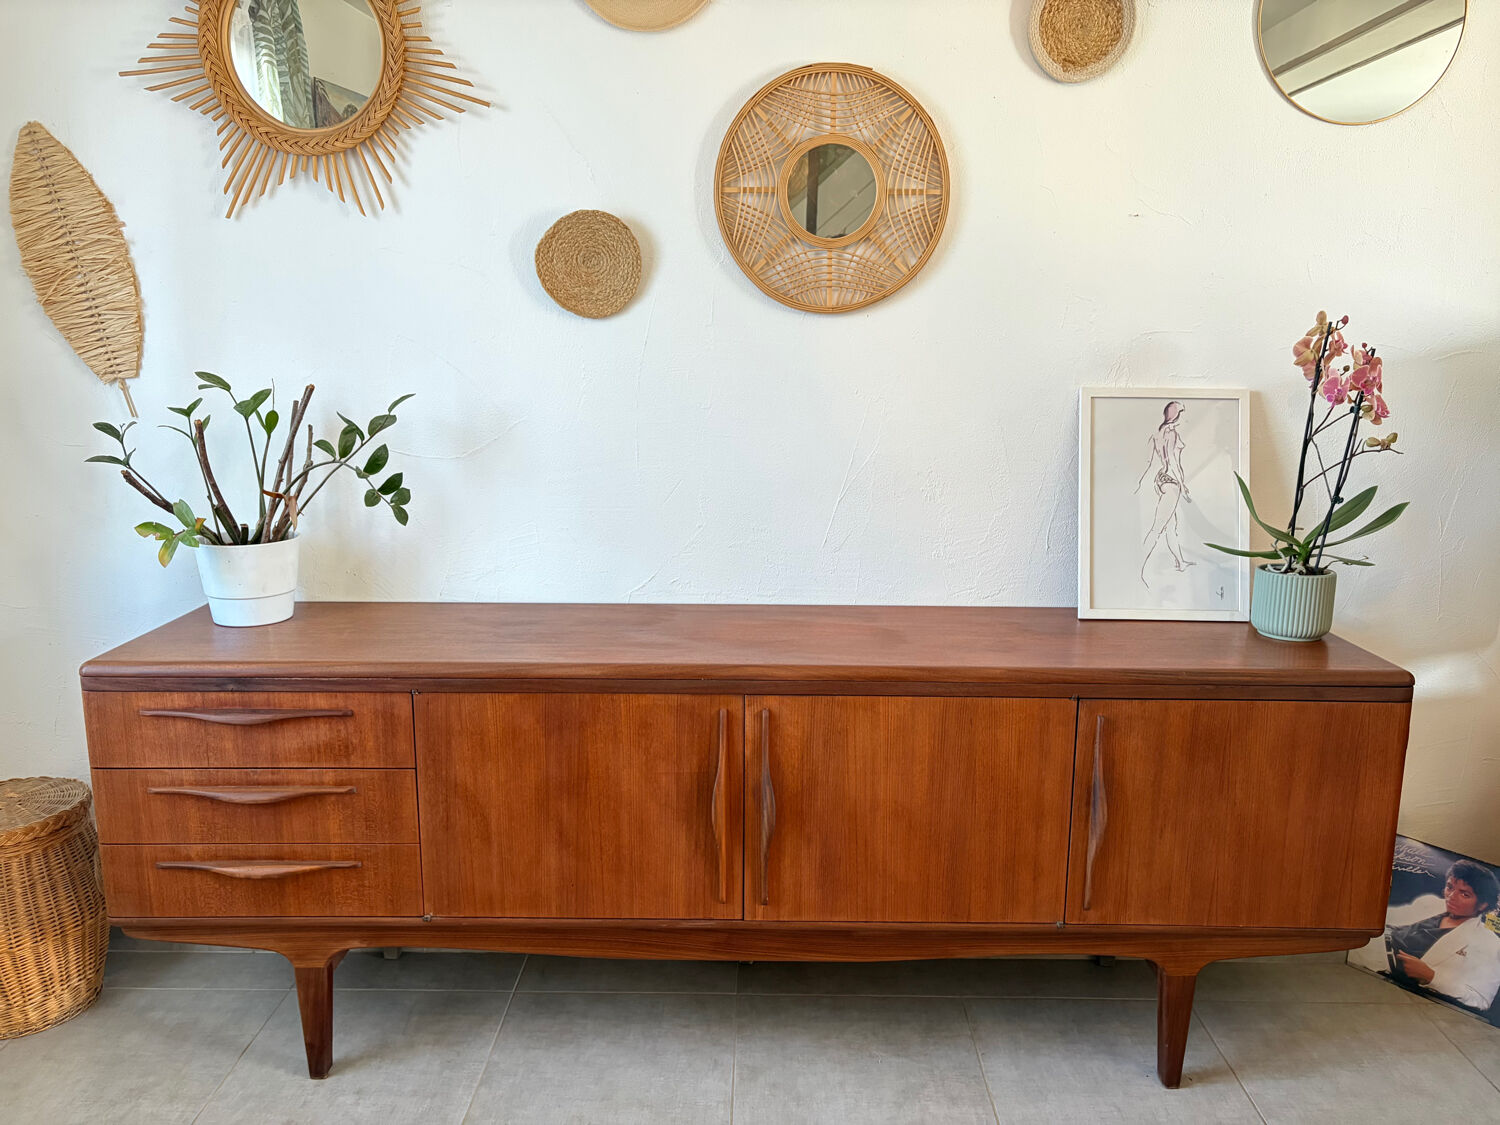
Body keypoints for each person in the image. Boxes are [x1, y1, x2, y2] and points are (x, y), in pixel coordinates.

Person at [1350, 859, 1500, 1011]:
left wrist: (1431, 977)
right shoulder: (1431, 903)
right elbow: (1388, 917)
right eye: (1449, 887)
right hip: (1361, 960)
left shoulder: (1490, 944)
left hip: (1397, 992)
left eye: (1465, 894)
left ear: (1483, 904)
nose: (1451, 896)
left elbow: (1480, 1000)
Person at [1134, 401, 1194, 588]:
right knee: (1157, 529)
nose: (1183, 418)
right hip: (1172, 483)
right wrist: (1183, 486)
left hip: (1162, 481)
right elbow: (1173, 462)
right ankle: (1138, 570)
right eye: (1181, 414)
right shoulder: (1171, 434)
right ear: (1176, 415)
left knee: (1170, 526)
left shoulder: (1158, 433)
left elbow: (1150, 460)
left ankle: (1180, 562)